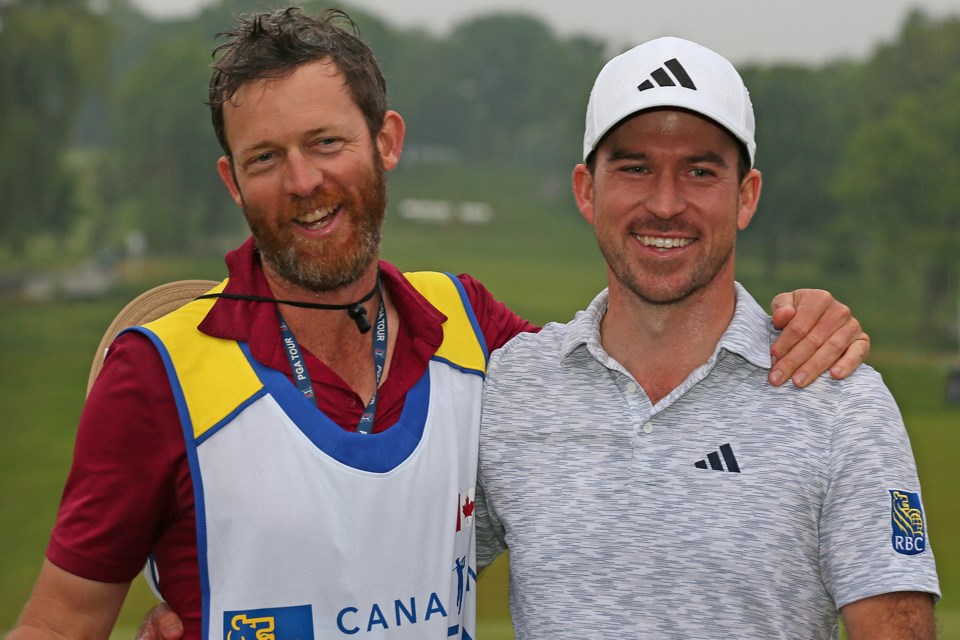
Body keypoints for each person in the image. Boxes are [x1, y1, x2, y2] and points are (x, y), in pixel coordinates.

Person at [8, 10, 869, 640]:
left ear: (387, 141)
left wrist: (798, 320)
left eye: (327, 142)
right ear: (233, 184)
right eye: (266, 159)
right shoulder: (159, 373)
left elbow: (627, 372)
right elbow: (58, 624)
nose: (303, 181)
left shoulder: (470, 328)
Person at [474, 36, 940, 639]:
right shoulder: (512, 387)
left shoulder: (842, 402)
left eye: (700, 171)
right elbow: (408, 579)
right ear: (587, 191)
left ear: (745, 197)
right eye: (636, 167)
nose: (665, 205)